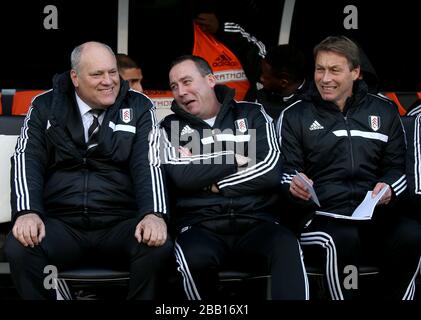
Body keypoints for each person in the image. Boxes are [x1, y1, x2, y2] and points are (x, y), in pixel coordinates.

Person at [4, 41, 172, 300]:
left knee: (157, 247)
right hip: (61, 224)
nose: (109, 81)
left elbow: (148, 163)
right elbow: (27, 159)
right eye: (97, 74)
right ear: (75, 77)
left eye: (112, 72)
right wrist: (27, 212)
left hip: (119, 222)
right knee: (20, 247)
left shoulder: (138, 105)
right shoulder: (45, 105)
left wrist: (153, 214)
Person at [278, 35, 421, 300]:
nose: (325, 78)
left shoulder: (384, 110)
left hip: (372, 214)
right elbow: (284, 169)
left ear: (355, 72)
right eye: (320, 69)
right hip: (320, 217)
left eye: (335, 70)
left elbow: (398, 169)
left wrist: (389, 188)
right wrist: (292, 183)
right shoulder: (295, 114)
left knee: (413, 234)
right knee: (341, 239)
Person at [160, 55, 308, 300]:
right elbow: (181, 177)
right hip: (200, 225)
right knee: (191, 259)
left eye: (187, 81)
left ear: (210, 80)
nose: (181, 91)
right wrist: (232, 158)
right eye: (174, 86)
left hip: (257, 221)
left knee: (286, 246)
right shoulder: (170, 126)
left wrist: (216, 183)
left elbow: (270, 170)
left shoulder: (251, 114)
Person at [257, 44, 311, 121]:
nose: (261, 78)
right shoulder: (262, 97)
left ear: (283, 82)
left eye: (266, 77)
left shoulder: (312, 105)